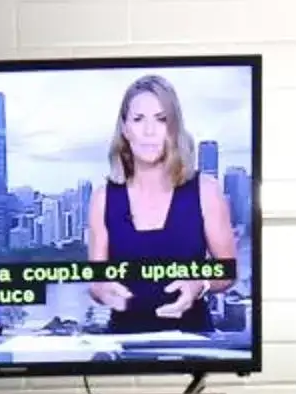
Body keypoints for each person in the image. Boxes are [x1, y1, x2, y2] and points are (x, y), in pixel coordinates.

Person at [86, 75, 240, 334]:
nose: (149, 131)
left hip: (193, 344)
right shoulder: (103, 198)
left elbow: (227, 271)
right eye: (138, 120)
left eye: (161, 119)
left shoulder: (206, 191)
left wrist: (198, 284)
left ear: (174, 128)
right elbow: (96, 281)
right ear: (125, 129)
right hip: (124, 349)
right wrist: (103, 291)